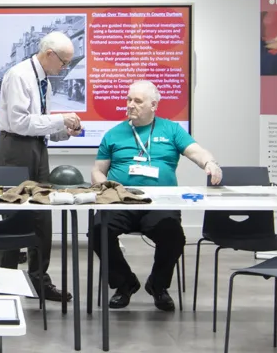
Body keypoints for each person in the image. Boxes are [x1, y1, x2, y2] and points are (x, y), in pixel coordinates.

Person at [91, 79, 222, 312]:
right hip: (122, 200)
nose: (130, 105)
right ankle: (125, 283)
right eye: (128, 99)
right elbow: (98, 170)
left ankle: (158, 285)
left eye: (137, 101)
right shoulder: (113, 134)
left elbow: (196, 152)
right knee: (98, 230)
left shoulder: (171, 130)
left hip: (160, 202)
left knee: (173, 235)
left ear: (153, 105)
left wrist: (210, 163)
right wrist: (104, 186)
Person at [0, 29, 78, 302]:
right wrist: (60, 119)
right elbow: (20, 123)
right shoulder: (19, 75)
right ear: (49, 54)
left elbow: (39, 123)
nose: (65, 68)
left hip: (37, 147)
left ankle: (39, 280)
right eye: (64, 62)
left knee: (42, 215)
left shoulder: (44, 82)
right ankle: (6, 281)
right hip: (15, 148)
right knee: (14, 214)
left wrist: (64, 131)